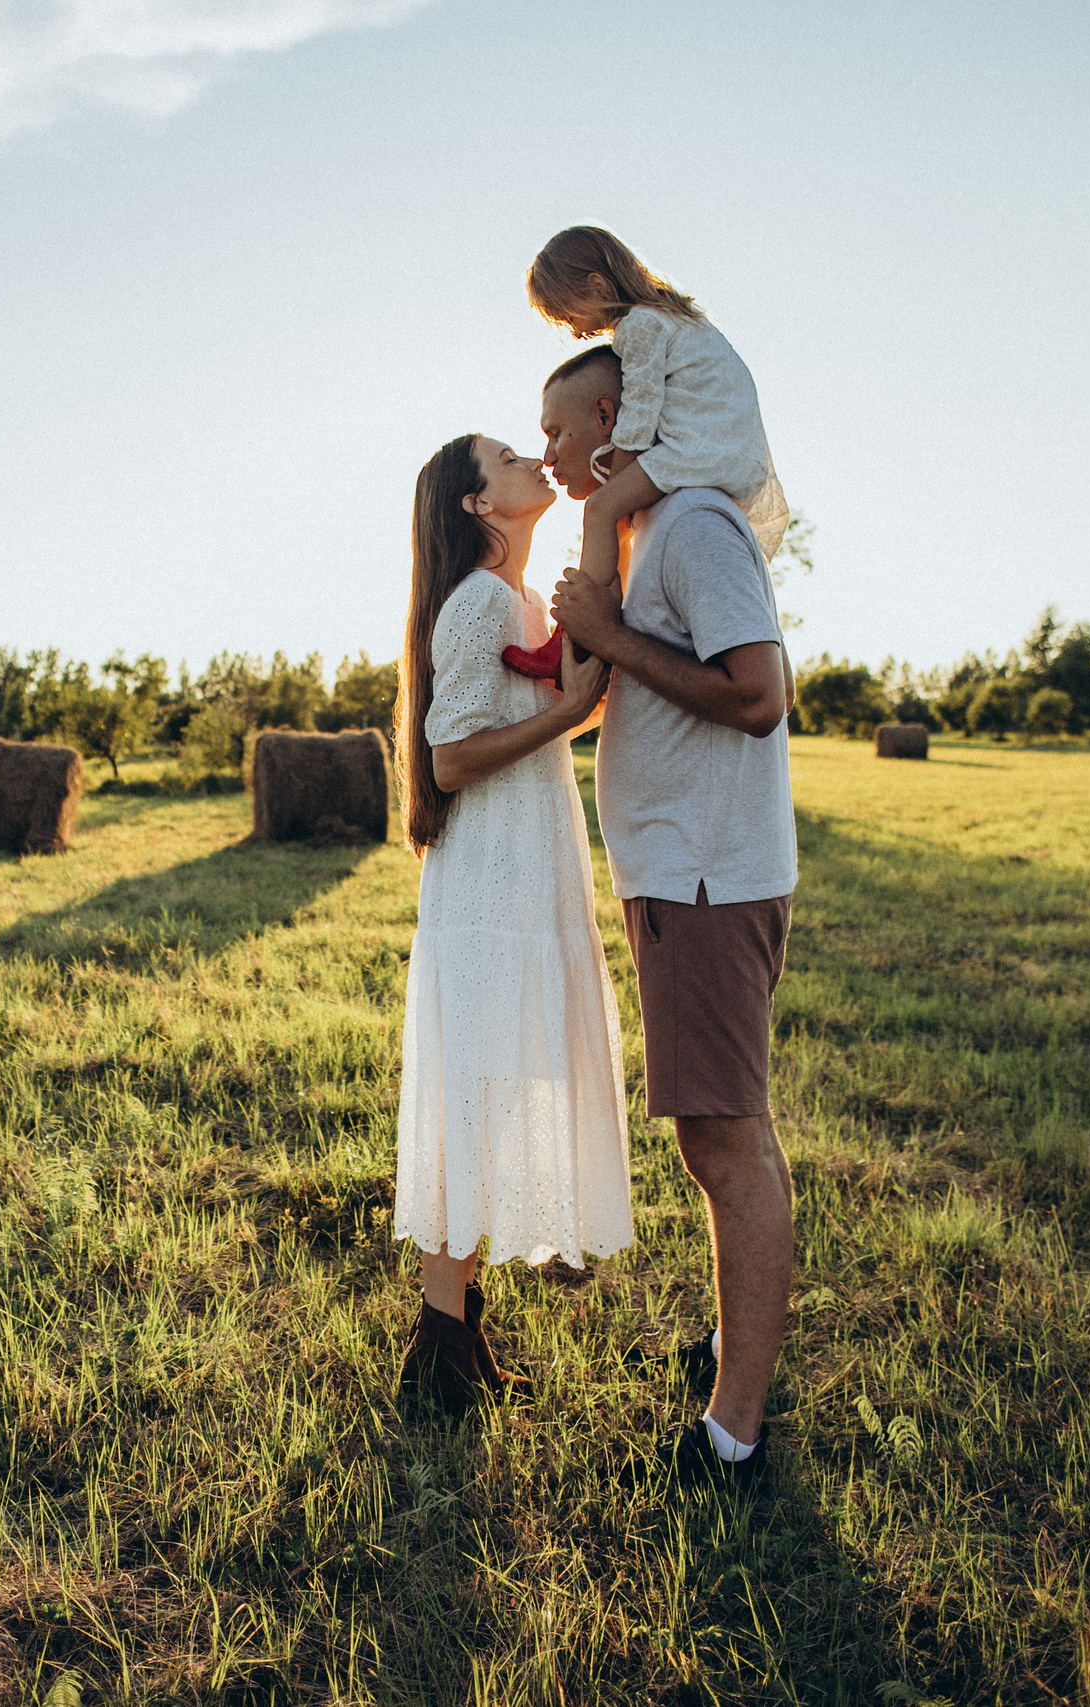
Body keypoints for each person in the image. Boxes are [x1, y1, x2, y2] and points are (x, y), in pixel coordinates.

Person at [543, 346, 798, 1488]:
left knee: (721, 1139)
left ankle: (732, 1433)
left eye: (557, 430)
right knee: (726, 1131)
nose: (548, 452)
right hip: (687, 873)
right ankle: (736, 1347)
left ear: (611, 417)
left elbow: (758, 694)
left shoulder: (692, 526)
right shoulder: (653, 537)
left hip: (706, 877)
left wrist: (608, 637)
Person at [392, 432, 630, 1416]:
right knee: (475, 1100)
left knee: (485, 1097)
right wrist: (566, 712)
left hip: (522, 870)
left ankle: (451, 1338)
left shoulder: (517, 599)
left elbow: (551, 709)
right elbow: (448, 759)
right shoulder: (480, 603)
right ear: (477, 504)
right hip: (491, 883)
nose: (533, 458)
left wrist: (579, 698)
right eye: (506, 457)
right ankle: (439, 1347)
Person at [504, 225, 788, 681]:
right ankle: (591, 639)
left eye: (568, 314)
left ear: (597, 286)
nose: (573, 329)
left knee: (601, 510)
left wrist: (615, 485)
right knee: (616, 520)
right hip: (722, 448)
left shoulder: (639, 327)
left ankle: (572, 640)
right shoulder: (675, 318)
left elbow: (637, 415)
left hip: (697, 449)